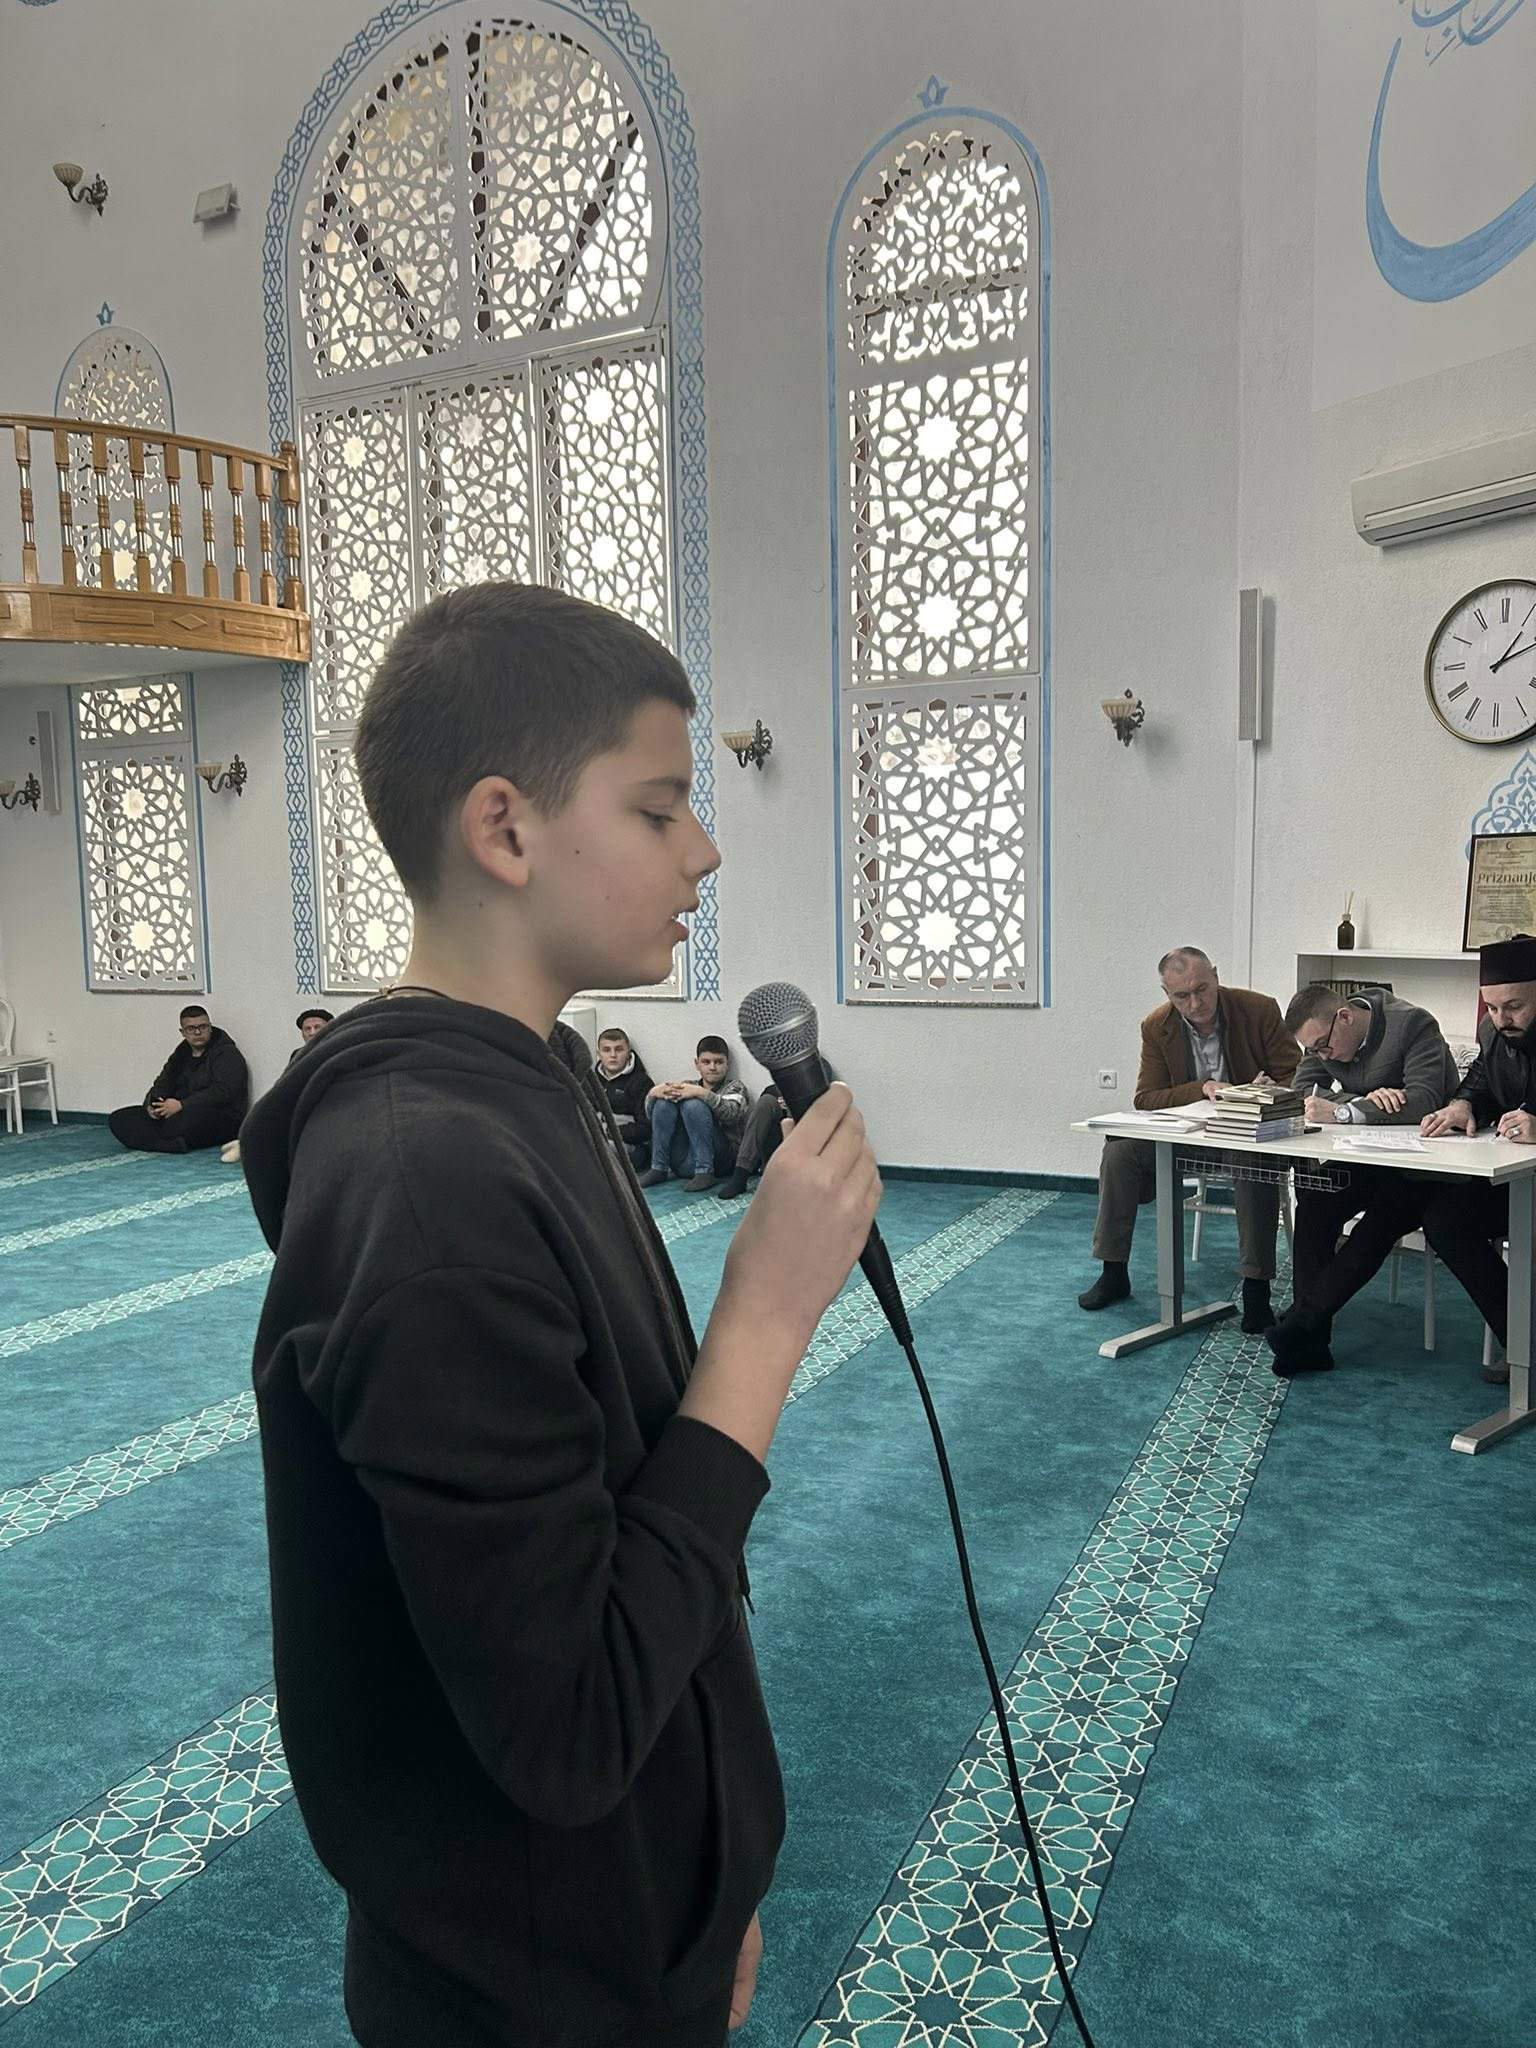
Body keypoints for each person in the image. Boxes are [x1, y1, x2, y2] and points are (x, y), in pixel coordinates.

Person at [241, 581, 881, 2048]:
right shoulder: (431, 1192)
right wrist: (765, 1320)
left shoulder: (525, 1087)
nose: (704, 849)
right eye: (660, 808)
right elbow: (570, 1722)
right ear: (506, 829)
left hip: (615, 1921)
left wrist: (705, 1877)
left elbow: (628, 1511)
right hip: (529, 1988)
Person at [1077, 946, 1298, 1332]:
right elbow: (1146, 1098)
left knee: (1252, 1162)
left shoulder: (1258, 1009)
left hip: (1246, 1135)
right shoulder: (1156, 1025)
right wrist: (1203, 1088)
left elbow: (1298, 1074)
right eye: (1182, 996)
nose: (1195, 1004)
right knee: (1119, 1152)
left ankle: (1256, 1290)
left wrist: (1267, 1092)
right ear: (1167, 994)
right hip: (1189, 1136)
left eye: (1202, 989)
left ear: (1216, 977)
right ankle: (1113, 1271)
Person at [1263, 983, 1459, 1375]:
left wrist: (1342, 1111)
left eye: (1323, 1047)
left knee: (1380, 1221)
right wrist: (1358, 1104)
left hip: (1430, 1166)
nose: (1322, 1056)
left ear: (1345, 1018)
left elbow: (1424, 1101)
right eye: (1314, 1050)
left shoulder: (1413, 1025)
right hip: (1371, 1156)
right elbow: (1303, 1094)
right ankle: (1312, 1344)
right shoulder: (1323, 1039)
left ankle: (1303, 1322)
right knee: (1316, 1200)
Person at [1418, 934, 1536, 1385]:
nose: (1502, 1019)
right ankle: (1522, 1340)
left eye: (1514, 1007)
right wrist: (1462, 1105)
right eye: (1492, 1007)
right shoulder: (1493, 1031)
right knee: (1445, 1218)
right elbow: (1482, 1081)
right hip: (1518, 1178)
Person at [108, 1005, 249, 1154]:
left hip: (216, 1116)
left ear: (210, 1028)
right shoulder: (181, 1053)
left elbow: (224, 1092)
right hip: (175, 1112)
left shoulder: (227, 1054)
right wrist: (152, 1106)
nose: (198, 1032)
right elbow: (162, 1083)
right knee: (119, 1119)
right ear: (183, 1032)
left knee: (183, 1123)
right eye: (191, 1028)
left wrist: (182, 1105)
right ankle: (168, 1144)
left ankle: (159, 1141)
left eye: (202, 1027)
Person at [715, 1057, 836, 1202]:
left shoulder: (822, 1073)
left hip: (806, 1154)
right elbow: (767, 1098)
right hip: (774, 1151)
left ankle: (792, 1178)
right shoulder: (781, 1081)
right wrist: (782, 1098)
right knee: (766, 1101)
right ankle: (741, 1175)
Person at [638, 1036, 750, 1192]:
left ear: (727, 1064)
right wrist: (653, 1094)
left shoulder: (735, 1087)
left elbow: (731, 1114)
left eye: (718, 1062)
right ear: (697, 1064)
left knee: (693, 1104)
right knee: (664, 1103)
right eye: (706, 1062)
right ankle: (659, 1167)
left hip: (721, 1161)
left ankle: (705, 1172)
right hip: (684, 1160)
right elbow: (652, 1117)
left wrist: (701, 1093)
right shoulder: (688, 1085)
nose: (712, 1067)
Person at [595, 1026, 655, 1168]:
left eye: (619, 1049)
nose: (613, 1055)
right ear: (599, 1054)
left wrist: (611, 1131)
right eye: (607, 1050)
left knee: (599, 1149)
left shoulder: (641, 1082)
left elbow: (647, 1128)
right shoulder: (591, 1079)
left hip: (631, 1146)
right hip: (597, 1135)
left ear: (628, 1053)